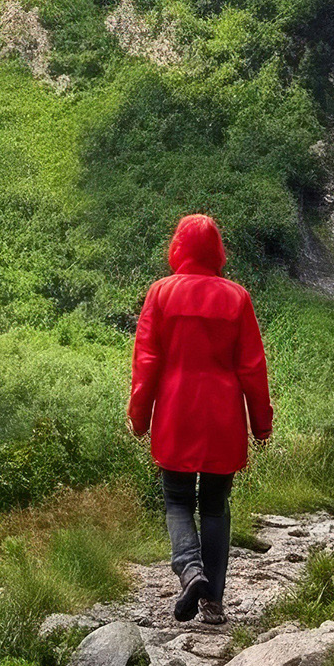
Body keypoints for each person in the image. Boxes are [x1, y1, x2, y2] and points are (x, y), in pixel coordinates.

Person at [126, 212, 274, 623]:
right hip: (222, 418)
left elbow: (146, 361)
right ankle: (213, 602)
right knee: (215, 505)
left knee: (176, 500)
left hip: (176, 413)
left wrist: (139, 415)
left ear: (178, 248)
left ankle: (190, 570)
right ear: (217, 251)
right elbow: (252, 367)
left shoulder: (161, 293)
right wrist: (261, 422)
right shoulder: (237, 297)